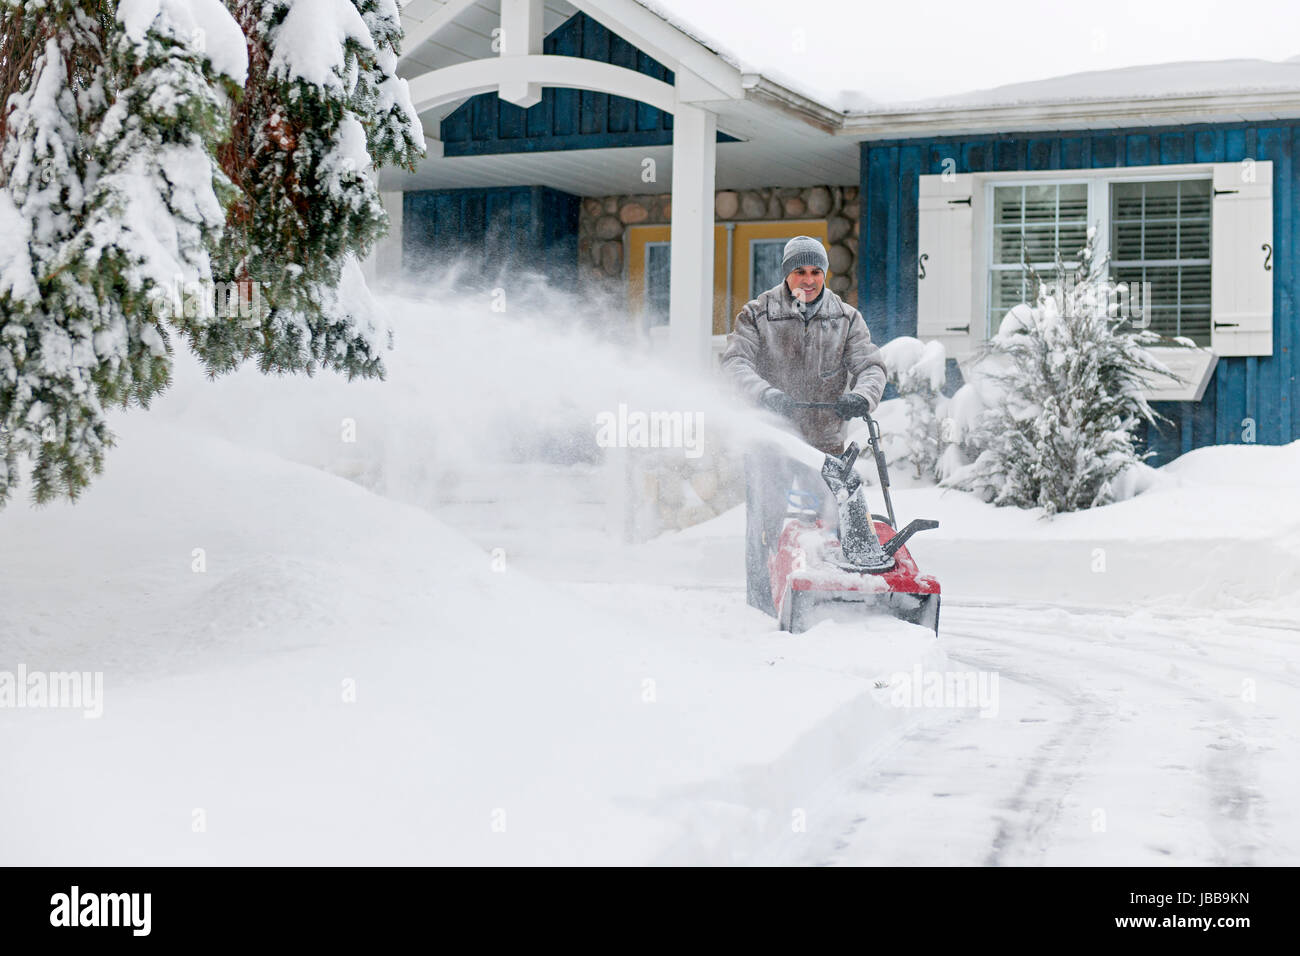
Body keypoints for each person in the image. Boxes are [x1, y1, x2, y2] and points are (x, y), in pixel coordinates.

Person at [720, 235, 888, 617]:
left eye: (816, 271)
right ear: (786, 274)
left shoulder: (846, 319)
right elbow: (734, 364)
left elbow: (871, 366)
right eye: (800, 272)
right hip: (772, 442)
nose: (808, 280)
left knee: (835, 523)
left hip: (824, 443)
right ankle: (763, 608)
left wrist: (862, 396)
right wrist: (765, 394)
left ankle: (836, 601)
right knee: (767, 527)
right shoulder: (758, 314)